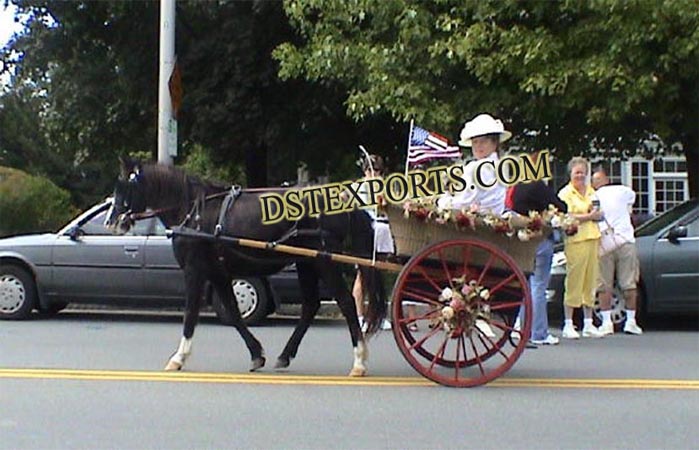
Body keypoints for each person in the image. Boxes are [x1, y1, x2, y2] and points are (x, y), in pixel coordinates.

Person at [509, 167, 568, 345]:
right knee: (539, 287)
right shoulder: (538, 187)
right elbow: (561, 206)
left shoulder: (517, 188)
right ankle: (538, 332)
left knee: (525, 286)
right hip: (539, 238)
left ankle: (522, 328)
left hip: (521, 239)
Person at [592, 166, 643, 335]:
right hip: (624, 240)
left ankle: (607, 322)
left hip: (604, 243)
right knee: (628, 282)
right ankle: (630, 320)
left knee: (604, 284)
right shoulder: (623, 191)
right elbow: (631, 202)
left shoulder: (592, 196)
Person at [557, 157, 605, 339]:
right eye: (577, 172)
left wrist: (592, 215)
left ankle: (588, 322)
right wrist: (588, 216)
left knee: (591, 280)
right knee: (574, 280)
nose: (580, 176)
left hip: (593, 238)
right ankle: (569, 323)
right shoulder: (565, 193)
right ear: (570, 174)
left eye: (583, 173)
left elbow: (599, 213)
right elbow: (566, 216)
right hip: (576, 240)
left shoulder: (591, 191)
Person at [437, 113, 511, 215]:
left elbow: (462, 203)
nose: (478, 146)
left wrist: (443, 200)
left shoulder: (476, 168)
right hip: (493, 224)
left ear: (494, 143)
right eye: (475, 142)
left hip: (475, 226)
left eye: (483, 141)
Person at [352, 154, 393, 331]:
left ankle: (376, 315)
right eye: (370, 170)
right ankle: (359, 316)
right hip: (364, 231)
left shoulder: (384, 187)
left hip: (382, 230)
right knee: (362, 275)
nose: (373, 173)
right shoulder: (357, 187)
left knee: (378, 275)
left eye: (376, 170)